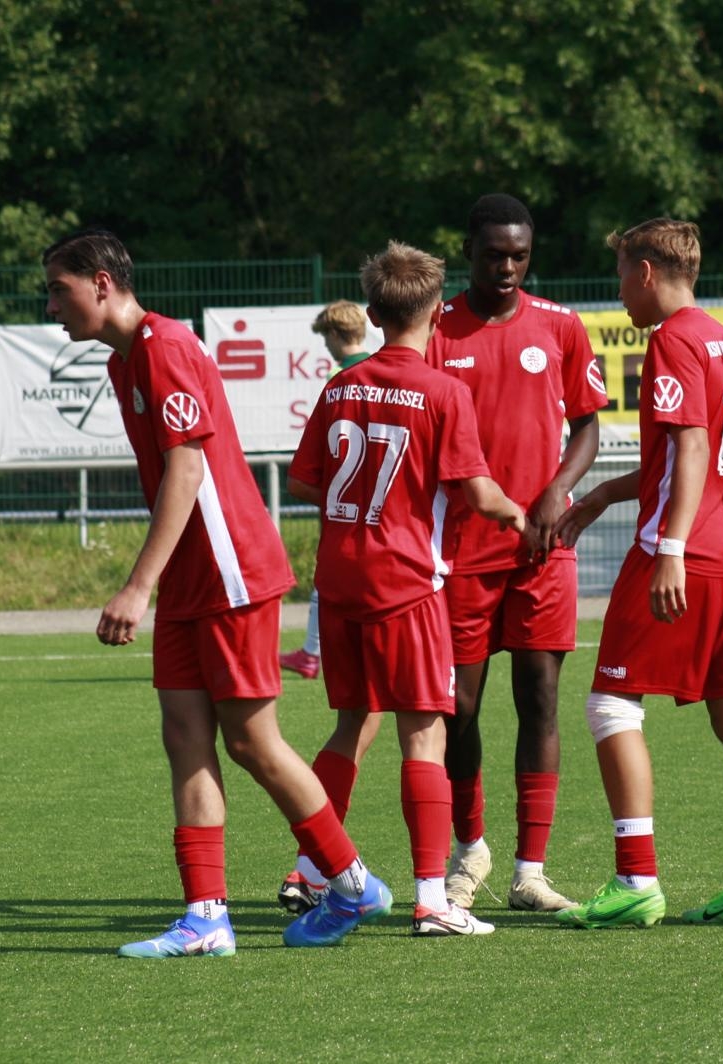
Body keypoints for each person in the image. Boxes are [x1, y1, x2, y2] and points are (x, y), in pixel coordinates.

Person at [42, 228, 391, 956]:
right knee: (184, 737)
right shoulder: (126, 359)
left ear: (101, 284)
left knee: (252, 742)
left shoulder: (164, 347)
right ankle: (206, 918)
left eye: (59, 289)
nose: (51, 306)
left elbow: (189, 469)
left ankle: (353, 883)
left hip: (230, 572)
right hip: (190, 577)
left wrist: (137, 586)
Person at [288, 239, 525, 938]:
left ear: (372, 313)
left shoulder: (341, 386)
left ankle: (316, 871)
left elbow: (304, 480)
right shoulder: (443, 390)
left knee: (349, 725)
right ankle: (432, 901)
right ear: (437, 313)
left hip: (341, 582)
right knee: (424, 733)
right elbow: (477, 492)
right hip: (406, 585)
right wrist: (517, 513)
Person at [552, 219, 723, 930]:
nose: (619, 291)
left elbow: (693, 447)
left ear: (646, 272)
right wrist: (601, 494)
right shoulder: (721, 339)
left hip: (680, 552)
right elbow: (683, 460)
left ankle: (636, 879)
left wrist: (672, 547)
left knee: (611, 705)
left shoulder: (674, 339)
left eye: (622, 274)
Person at [425, 193, 608, 914]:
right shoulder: (436, 329)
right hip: (460, 551)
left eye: (519, 256)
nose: (507, 267)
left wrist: (557, 489)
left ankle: (530, 871)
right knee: (458, 709)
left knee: (539, 699)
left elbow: (587, 425)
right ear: (468, 250)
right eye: (494, 254)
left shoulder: (560, 326)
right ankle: (470, 847)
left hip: (542, 548)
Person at [279, 300, 375, 681]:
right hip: (377, 494)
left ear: (335, 335)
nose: (326, 346)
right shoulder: (381, 367)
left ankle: (312, 652)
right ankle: (316, 650)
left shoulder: (340, 377)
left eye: (325, 339)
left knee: (333, 571)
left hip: (344, 496)